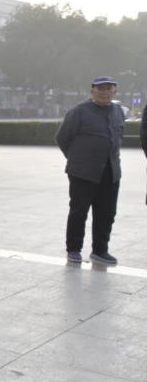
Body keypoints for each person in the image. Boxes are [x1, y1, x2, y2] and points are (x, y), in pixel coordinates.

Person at [55, 76, 126, 265]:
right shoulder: (79, 111)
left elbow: (118, 137)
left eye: (108, 88)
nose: (104, 92)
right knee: (79, 211)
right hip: (83, 172)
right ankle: (74, 249)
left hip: (111, 171)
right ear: (92, 91)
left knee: (107, 213)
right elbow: (62, 137)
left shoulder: (118, 111)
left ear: (114, 91)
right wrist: (77, 159)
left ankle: (100, 251)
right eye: (100, 89)